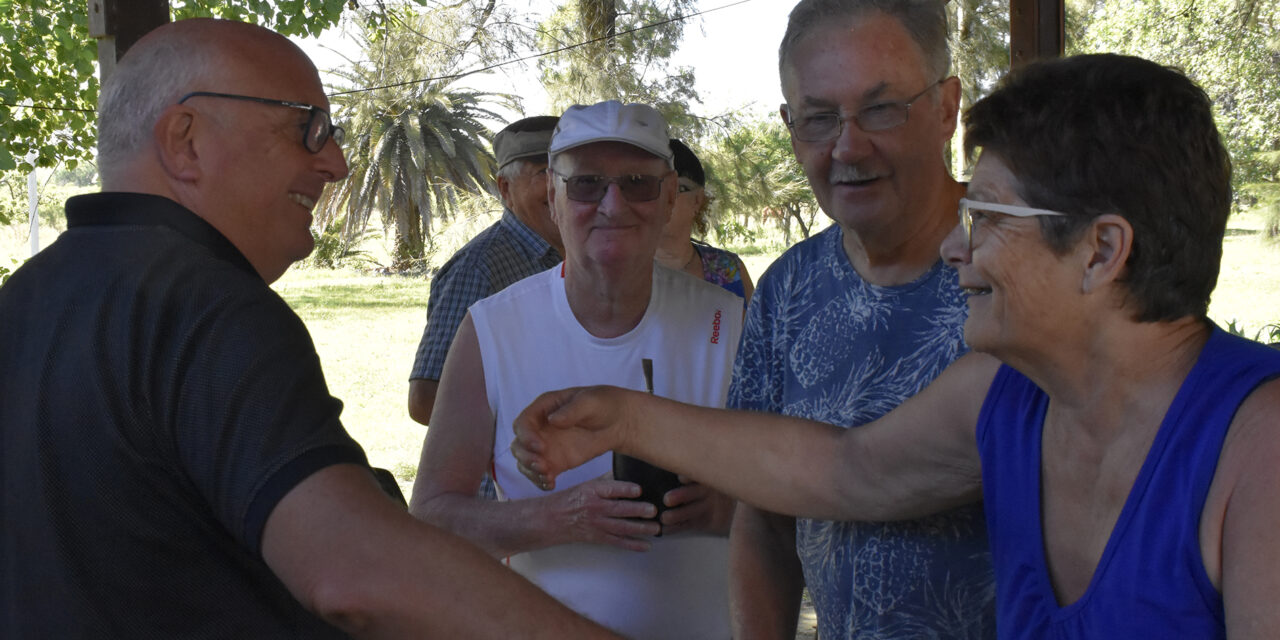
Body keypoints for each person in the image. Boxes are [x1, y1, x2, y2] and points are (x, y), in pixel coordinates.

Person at [512, 53, 1280, 639]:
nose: (957, 248)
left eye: (988, 218)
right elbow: (846, 470)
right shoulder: (1009, 397)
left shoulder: (1257, 444)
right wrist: (620, 417)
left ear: (1101, 250)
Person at [0, 18, 622, 638]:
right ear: (185, 140)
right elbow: (357, 574)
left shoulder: (24, 298)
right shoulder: (205, 306)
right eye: (307, 128)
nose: (337, 164)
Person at [408, 100, 743, 639]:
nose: (613, 204)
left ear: (668, 198)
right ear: (553, 198)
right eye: (586, 184)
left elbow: (800, 505)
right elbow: (431, 517)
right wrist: (560, 517)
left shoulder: (729, 322)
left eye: (637, 183)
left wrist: (726, 509)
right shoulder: (492, 329)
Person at [728, 1, 992, 638]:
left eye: (881, 108)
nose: (848, 145)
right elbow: (762, 514)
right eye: (819, 118)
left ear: (947, 108)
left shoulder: (1017, 264)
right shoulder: (785, 288)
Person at [408, 115, 564, 429]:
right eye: (544, 172)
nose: (559, 187)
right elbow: (426, 400)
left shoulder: (582, 258)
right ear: (505, 188)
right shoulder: (478, 268)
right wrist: (527, 429)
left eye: (571, 172)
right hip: (503, 475)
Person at [655, 138, 754, 300]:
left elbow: (754, 324)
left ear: (698, 200)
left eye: (679, 188)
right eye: (654, 185)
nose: (664, 196)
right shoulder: (616, 271)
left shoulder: (729, 270)